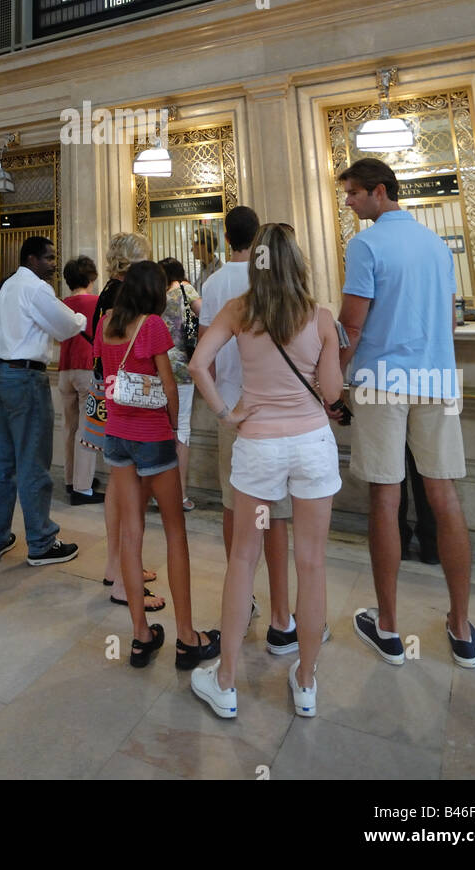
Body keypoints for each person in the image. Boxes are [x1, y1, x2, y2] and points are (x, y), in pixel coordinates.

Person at [188, 224, 343, 719]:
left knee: (242, 558)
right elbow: (334, 394)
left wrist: (225, 413)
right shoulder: (319, 317)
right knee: (312, 563)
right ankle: (305, 682)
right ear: (298, 262)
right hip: (311, 445)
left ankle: (227, 682)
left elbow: (197, 365)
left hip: (259, 446)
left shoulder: (238, 310)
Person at [336, 158, 475, 668]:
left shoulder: (366, 244)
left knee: (385, 496)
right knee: (444, 495)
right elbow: (452, 314)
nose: (348, 202)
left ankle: (390, 626)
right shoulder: (437, 246)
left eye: (352, 193)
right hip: (436, 380)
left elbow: (351, 327)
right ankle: (461, 628)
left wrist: (331, 379)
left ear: (378, 192)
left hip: (381, 383)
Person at [95, 259, 220, 670]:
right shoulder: (150, 325)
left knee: (131, 535)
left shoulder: (107, 322)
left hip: (117, 438)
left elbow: (106, 373)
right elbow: (169, 385)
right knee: (175, 532)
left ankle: (141, 635)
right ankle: (186, 637)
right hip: (151, 438)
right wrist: (168, 426)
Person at [197, 206, 298, 649]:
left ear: (225, 235)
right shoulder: (273, 277)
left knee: (233, 503)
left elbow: (207, 352)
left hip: (232, 405)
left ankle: (245, 597)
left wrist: (220, 405)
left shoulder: (215, 283)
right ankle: (282, 612)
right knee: (274, 512)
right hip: (273, 407)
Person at [0, 236, 85, 566]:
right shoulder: (36, 288)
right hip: (27, 378)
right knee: (34, 462)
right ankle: (41, 542)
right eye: (48, 258)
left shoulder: (1, 288)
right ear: (31, 258)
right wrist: (82, 320)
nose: (54, 263)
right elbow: (66, 325)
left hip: (1, 376)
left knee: (3, 461)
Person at [94, 232, 162, 610]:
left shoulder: (106, 293)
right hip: (130, 404)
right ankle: (123, 574)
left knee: (118, 487)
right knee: (128, 490)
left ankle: (115, 564)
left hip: (108, 394)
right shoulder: (127, 298)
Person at [58, 256, 104, 505]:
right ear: (91, 278)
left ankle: (71, 479)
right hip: (87, 369)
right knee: (87, 430)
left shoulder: (62, 304)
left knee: (69, 428)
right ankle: (82, 488)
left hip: (64, 369)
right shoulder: (97, 302)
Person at [158, 257, 201, 511]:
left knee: (162, 428)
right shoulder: (186, 288)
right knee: (181, 428)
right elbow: (204, 313)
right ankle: (180, 495)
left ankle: (158, 492)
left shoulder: (156, 295)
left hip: (159, 366)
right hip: (183, 367)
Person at [191, 225, 221, 292]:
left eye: (193, 245)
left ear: (203, 246)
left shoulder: (222, 271)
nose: (191, 249)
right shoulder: (194, 273)